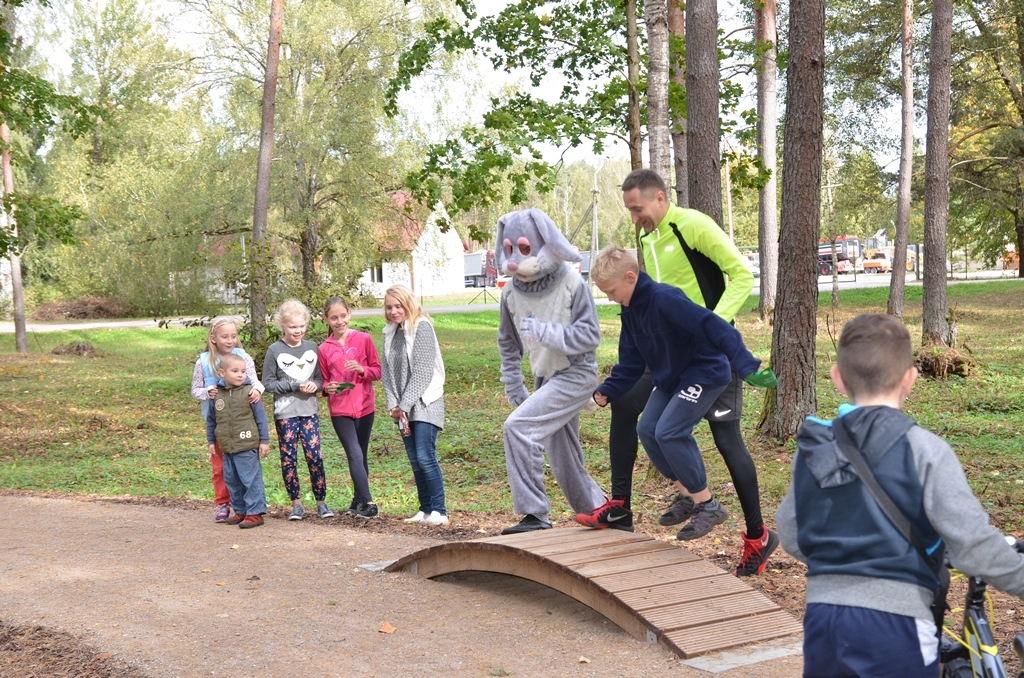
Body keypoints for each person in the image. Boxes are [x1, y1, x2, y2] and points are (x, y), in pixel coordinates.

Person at [775, 314, 1024, 678]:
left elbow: (792, 534)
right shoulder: (926, 450)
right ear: (911, 377)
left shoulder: (814, 449)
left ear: (837, 378)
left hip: (823, 617)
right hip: (897, 624)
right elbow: (973, 546)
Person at [615, 168, 774, 577]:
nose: (635, 219)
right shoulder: (649, 238)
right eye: (631, 211)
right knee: (642, 421)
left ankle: (757, 536)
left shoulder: (693, 226)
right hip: (671, 359)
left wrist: (715, 327)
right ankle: (684, 494)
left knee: (727, 440)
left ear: (660, 199)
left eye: (638, 209)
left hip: (709, 353)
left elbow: (741, 274)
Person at [587, 246, 776, 540]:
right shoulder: (631, 310)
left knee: (669, 432)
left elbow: (715, 327)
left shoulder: (665, 299)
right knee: (648, 429)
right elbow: (632, 361)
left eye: (611, 291)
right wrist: (606, 392)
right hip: (673, 378)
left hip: (705, 372)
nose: (611, 298)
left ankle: (708, 505)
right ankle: (688, 495)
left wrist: (746, 365)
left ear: (630, 277)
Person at [495, 208, 624, 535]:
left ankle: (534, 514)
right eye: (509, 250)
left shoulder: (570, 282)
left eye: (524, 249)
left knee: (518, 428)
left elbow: (591, 336)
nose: (514, 259)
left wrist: (547, 332)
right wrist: (514, 385)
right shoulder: (510, 292)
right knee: (563, 455)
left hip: (577, 374)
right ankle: (601, 511)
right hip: (544, 378)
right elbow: (508, 344)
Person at [380, 285, 449, 526]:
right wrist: (393, 403)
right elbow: (386, 373)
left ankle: (440, 510)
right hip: (402, 407)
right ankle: (425, 509)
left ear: (408, 303)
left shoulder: (422, 326)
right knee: (414, 459)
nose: (393, 311)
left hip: (424, 402)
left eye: (398, 306)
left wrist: (405, 404)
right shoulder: (390, 332)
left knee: (425, 455)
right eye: (389, 307)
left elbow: (422, 371)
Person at [190, 316, 265, 523]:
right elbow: (195, 389)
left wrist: (257, 390)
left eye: (233, 336)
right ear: (213, 338)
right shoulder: (203, 361)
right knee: (222, 468)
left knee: (245, 467)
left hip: (242, 423)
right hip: (219, 422)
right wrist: (207, 392)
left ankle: (251, 509)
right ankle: (225, 504)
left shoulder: (244, 357)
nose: (230, 340)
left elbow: (256, 382)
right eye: (225, 337)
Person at [262, 299, 332, 521]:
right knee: (289, 459)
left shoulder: (312, 347)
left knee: (314, 456)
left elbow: (321, 378)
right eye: (293, 327)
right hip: (286, 414)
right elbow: (268, 383)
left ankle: (321, 501)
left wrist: (316, 385)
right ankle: (297, 504)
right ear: (282, 325)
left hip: (309, 411)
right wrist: (294, 385)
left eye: (301, 326)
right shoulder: (274, 350)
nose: (298, 331)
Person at [319, 296, 382, 519]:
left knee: (361, 454)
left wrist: (362, 369)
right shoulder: (324, 349)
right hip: (340, 411)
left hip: (365, 407)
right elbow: (323, 382)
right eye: (334, 318)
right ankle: (369, 502)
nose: (339, 321)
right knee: (354, 453)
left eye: (343, 316)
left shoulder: (364, 339)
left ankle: (357, 500)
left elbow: (377, 370)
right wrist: (329, 387)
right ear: (326, 319)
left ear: (350, 314)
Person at [205, 353, 271, 529]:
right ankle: (240, 510)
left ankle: (255, 512)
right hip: (227, 447)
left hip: (246, 444)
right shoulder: (216, 395)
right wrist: (211, 441)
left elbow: (261, 418)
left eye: (243, 371)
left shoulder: (249, 393)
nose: (240, 375)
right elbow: (212, 420)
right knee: (232, 481)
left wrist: (264, 441)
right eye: (235, 371)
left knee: (250, 480)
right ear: (222, 372)